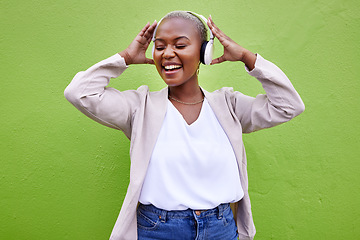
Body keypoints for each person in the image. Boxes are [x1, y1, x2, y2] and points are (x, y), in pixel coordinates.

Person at [64, 11, 304, 240]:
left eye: (180, 45)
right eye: (160, 47)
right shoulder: (140, 107)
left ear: (204, 53)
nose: (167, 53)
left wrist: (247, 58)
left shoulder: (229, 105)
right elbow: (79, 93)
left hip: (220, 228)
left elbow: (289, 106)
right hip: (157, 228)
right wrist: (125, 57)